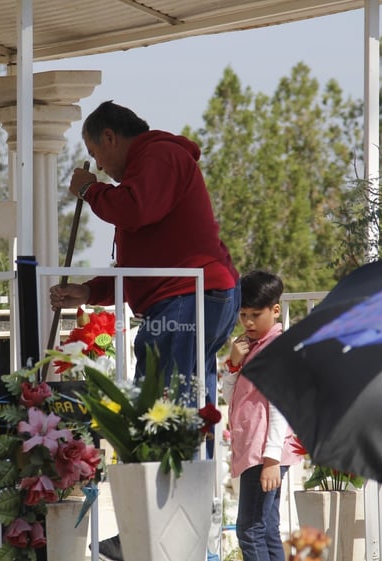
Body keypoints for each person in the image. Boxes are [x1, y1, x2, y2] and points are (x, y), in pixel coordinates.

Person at [50, 100, 240, 561]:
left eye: (97, 154)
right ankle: (170, 522)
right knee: (179, 409)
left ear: (110, 137)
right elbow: (138, 262)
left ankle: (167, 523)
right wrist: (89, 291)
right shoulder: (153, 164)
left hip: (187, 297)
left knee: (165, 410)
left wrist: (89, 191)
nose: (98, 166)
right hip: (185, 295)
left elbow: (134, 210)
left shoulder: (159, 155)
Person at [221, 270, 303, 561]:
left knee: (249, 530)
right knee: (265, 528)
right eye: (243, 314)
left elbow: (280, 406)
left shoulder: (275, 349)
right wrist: (233, 364)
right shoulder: (252, 346)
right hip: (259, 451)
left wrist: (271, 459)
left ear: (275, 310)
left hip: (264, 453)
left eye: (256, 314)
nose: (248, 322)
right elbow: (232, 399)